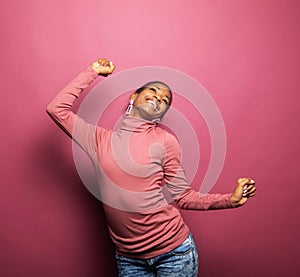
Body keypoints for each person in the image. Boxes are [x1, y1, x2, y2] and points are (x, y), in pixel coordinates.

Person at [47, 58, 256, 277]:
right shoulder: (98, 140)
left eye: (165, 99)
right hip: (128, 259)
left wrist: (229, 200)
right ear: (133, 97)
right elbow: (56, 109)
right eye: (153, 91)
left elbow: (184, 196)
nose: (159, 97)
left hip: (174, 253)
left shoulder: (166, 142)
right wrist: (92, 72)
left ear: (162, 112)